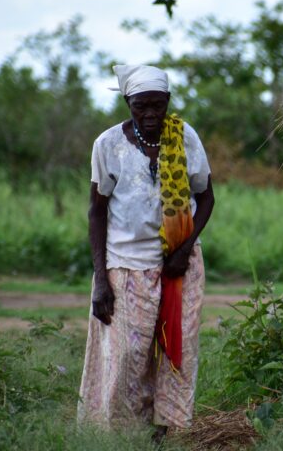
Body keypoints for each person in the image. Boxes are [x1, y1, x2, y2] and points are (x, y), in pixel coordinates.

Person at [77, 64, 214, 441]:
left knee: (176, 352)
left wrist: (183, 250)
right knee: (126, 357)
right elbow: (97, 211)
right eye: (141, 106)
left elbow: (205, 197)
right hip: (125, 265)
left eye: (158, 105)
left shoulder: (184, 138)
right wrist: (101, 281)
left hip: (179, 265)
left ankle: (163, 432)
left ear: (168, 102)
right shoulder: (108, 145)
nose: (151, 114)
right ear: (128, 103)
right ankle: (121, 433)